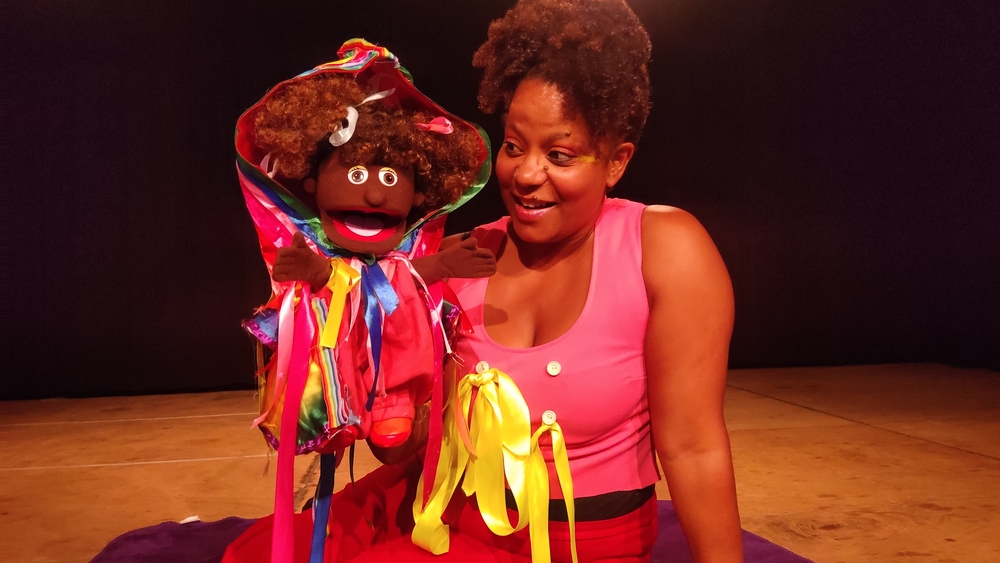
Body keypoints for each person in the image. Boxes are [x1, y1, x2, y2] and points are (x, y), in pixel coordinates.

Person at [225, 1, 743, 561]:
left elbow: (694, 448)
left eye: (560, 154)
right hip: (444, 510)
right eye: (514, 146)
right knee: (259, 553)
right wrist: (351, 378)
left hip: (572, 544)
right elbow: (410, 442)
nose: (526, 174)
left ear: (615, 162)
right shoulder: (466, 256)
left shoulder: (663, 248)